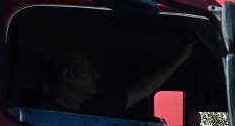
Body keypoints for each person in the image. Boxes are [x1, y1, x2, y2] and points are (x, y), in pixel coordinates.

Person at [43, 41, 194, 117]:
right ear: (69, 76)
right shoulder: (40, 117)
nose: (98, 75)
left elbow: (140, 91)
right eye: (89, 70)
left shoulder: (94, 109)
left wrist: (182, 57)